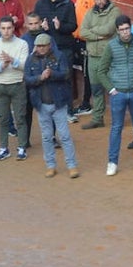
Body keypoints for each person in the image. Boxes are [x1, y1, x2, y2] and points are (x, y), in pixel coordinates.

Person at [98, 14, 133, 177]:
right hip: (118, 93)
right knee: (116, 128)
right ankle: (112, 162)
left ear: (131, 27)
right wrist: (111, 90)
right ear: (117, 31)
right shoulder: (111, 46)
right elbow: (101, 71)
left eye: (127, 28)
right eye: (122, 30)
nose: (125, 32)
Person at [25, 32, 79, 179]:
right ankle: (50, 165)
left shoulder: (59, 56)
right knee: (47, 137)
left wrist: (52, 74)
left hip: (58, 103)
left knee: (65, 136)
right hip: (41, 104)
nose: (40, 49)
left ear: (49, 45)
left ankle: (72, 165)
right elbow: (27, 79)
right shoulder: (31, 59)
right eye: (38, 46)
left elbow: (66, 74)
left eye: (43, 46)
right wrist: (40, 77)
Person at [0, 15, 29, 162]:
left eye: (9, 28)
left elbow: (25, 65)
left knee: (20, 117)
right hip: (0, 84)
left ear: (13, 28)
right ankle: (4, 148)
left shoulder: (22, 44)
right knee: (3, 118)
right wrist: (1, 66)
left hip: (17, 84)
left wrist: (11, 60)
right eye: (3, 28)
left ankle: (22, 147)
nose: (6, 31)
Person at [78, 0, 119, 130]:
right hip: (93, 56)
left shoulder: (115, 11)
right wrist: (100, 35)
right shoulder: (90, 12)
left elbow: (109, 30)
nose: (100, 1)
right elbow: (82, 32)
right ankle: (97, 118)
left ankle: (117, 119)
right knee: (95, 88)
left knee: (113, 88)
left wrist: (92, 33)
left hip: (109, 56)